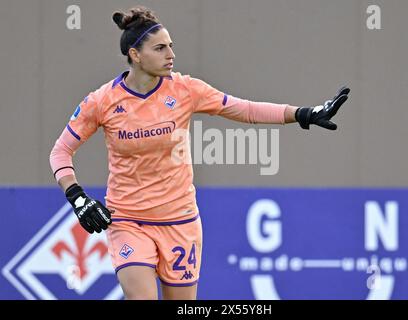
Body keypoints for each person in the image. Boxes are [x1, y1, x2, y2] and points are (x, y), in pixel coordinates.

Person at [49, 6, 350, 300]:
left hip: (180, 221)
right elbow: (61, 152)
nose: (171, 55)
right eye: (160, 48)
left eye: (171, 46)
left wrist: (304, 114)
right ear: (135, 55)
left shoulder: (184, 89)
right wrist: (78, 199)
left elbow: (244, 109)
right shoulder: (102, 101)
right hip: (129, 220)